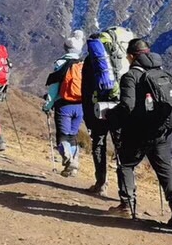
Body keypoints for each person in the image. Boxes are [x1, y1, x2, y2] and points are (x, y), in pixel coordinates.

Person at [117, 37, 172, 227]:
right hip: (160, 131)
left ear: (131, 56)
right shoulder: (161, 72)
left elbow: (127, 106)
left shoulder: (131, 76)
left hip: (137, 131)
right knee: (165, 170)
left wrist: (112, 116)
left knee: (126, 164)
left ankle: (127, 205)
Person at [82, 26, 133, 197]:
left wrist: (88, 115)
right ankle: (126, 193)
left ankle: (101, 182)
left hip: (99, 107)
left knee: (99, 142)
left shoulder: (92, 61)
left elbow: (86, 89)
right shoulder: (122, 59)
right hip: (120, 106)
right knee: (121, 146)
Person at [42, 36, 85, 176]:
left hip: (64, 105)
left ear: (65, 48)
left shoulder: (61, 63)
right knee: (72, 136)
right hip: (80, 106)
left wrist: (47, 105)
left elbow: (54, 88)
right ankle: (73, 164)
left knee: (62, 137)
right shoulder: (83, 64)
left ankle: (69, 161)